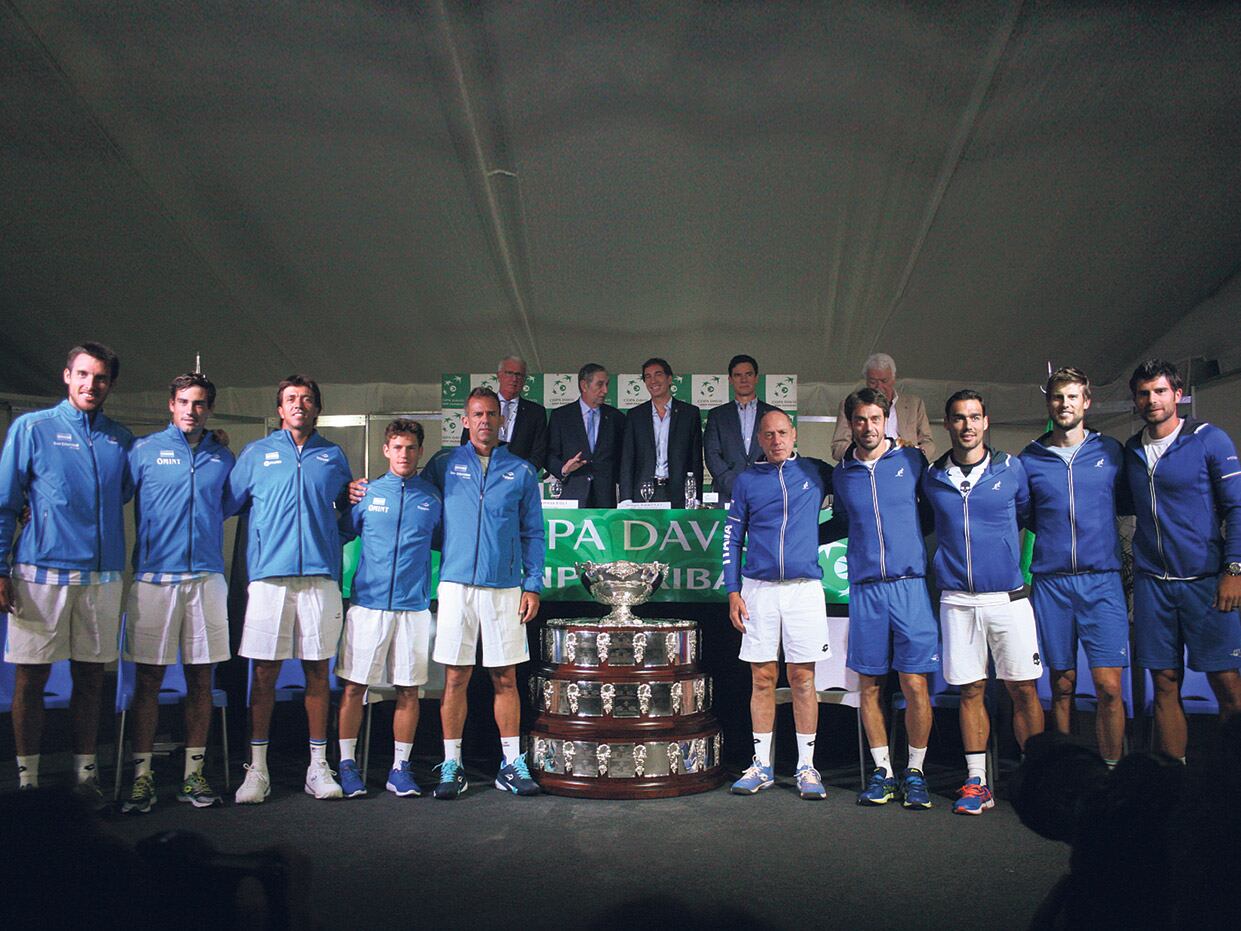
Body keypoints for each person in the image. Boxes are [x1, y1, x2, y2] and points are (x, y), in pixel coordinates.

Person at [0, 342, 133, 802]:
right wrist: (0, 568)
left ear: (110, 384)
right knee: (30, 679)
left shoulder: (121, 438)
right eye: (82, 375)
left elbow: (134, 489)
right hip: (39, 575)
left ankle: (85, 776)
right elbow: (6, 503)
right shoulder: (32, 428)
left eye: (100, 378)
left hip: (102, 578)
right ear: (66, 376)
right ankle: (27, 781)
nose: (90, 385)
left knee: (92, 680)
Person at [225, 375, 353, 803]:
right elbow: (227, 502)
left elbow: (346, 518)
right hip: (268, 578)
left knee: (318, 672)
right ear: (280, 410)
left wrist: (353, 504)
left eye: (307, 399)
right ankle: (256, 770)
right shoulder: (256, 454)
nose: (299, 405)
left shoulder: (333, 457)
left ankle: (318, 768)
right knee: (263, 674)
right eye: (291, 399)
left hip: (320, 578)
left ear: (317, 409)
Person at [922, 389, 1043, 814]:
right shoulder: (933, 477)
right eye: (959, 418)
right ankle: (977, 782)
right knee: (971, 690)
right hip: (957, 600)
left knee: (1023, 690)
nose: (967, 425)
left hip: (1009, 599)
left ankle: (1037, 777)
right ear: (948, 424)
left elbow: (1030, 517)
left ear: (986, 422)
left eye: (974, 417)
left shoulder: (1013, 470)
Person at [120, 372, 236, 813]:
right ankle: (141, 778)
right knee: (148, 681)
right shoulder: (143, 451)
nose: (192, 409)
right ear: (171, 404)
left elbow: (230, 504)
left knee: (201, 680)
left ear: (209, 408)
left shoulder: (222, 457)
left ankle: (193, 776)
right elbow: (111, 496)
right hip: (153, 580)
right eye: (184, 401)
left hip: (206, 579)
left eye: (200, 403)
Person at [423, 387, 545, 798]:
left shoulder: (522, 471)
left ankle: (511, 764)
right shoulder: (442, 465)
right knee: (455, 678)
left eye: (492, 414)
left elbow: (534, 533)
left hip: (504, 587)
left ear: (501, 420)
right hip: (456, 585)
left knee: (505, 678)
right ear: (464, 420)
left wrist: (532, 584)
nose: (485, 421)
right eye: (477, 414)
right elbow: (418, 511)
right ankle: (451, 765)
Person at [825, 388, 938, 809]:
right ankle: (883, 773)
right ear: (850, 423)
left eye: (875, 419)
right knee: (869, 685)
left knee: (914, 684)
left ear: (886, 421)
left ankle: (916, 772)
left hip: (910, 585)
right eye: (860, 420)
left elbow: (931, 515)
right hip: (866, 589)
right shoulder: (842, 473)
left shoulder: (911, 461)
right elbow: (839, 523)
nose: (868, 427)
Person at [1123, 359, 1241, 759]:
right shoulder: (1132, 450)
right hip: (1153, 584)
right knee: (1165, 684)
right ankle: (1171, 780)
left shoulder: (1210, 440)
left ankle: (1229, 782)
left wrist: (1234, 570)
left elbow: (1237, 509)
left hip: (1207, 582)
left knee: (1226, 683)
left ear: (1177, 394)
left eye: (1159, 391)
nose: (1152, 400)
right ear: (1136, 400)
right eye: (1144, 393)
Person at [1020, 367, 1130, 767]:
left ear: (1086, 402)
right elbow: (1026, 514)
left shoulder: (1110, 452)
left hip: (1102, 582)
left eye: (1072, 397)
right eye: (1057, 397)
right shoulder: (1029, 459)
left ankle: (1112, 772)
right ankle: (1063, 774)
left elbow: (1125, 502)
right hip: (1051, 584)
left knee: (1109, 687)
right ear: (1048, 403)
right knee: (1062, 684)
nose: (1064, 404)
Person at [723, 410, 834, 800]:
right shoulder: (747, 481)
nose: (776, 440)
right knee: (763, 679)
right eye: (768, 434)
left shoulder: (817, 472)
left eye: (782, 433)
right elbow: (732, 538)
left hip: (805, 589)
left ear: (794, 434)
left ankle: (806, 767)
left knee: (803, 680)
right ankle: (762, 765)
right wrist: (733, 590)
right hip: (759, 589)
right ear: (759, 438)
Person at [334, 419, 442, 798]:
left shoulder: (431, 498)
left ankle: (400, 769)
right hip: (367, 605)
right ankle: (346, 765)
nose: (404, 454)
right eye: (397, 447)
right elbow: (338, 532)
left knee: (409, 691)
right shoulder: (364, 493)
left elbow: (447, 542)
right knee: (353, 688)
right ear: (386, 450)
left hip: (413, 607)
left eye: (411, 447)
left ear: (420, 451)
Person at [618, 357, 703, 508]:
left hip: (679, 492)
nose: (653, 381)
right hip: (644, 492)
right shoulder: (635, 415)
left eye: (658, 374)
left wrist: (696, 497)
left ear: (669, 379)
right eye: (648, 377)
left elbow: (695, 459)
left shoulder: (689, 413)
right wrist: (625, 498)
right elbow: (627, 459)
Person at [546, 363, 626, 507]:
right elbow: (549, 454)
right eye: (600, 384)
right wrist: (564, 469)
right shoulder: (561, 416)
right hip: (573, 496)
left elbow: (623, 458)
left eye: (607, 384)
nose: (605, 390)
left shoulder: (616, 417)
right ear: (584, 385)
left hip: (605, 499)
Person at [830, 353, 935, 462]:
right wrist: (862, 456)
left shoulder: (914, 404)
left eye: (884, 381)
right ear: (866, 381)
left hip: (906, 466)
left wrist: (915, 458)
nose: (879, 387)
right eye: (873, 382)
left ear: (894, 379)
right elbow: (838, 447)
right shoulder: (850, 404)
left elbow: (928, 442)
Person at [703, 354, 778, 503]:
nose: (743, 380)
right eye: (738, 375)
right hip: (726, 493)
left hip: (765, 492)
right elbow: (711, 455)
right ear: (730, 380)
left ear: (756, 378)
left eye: (748, 374)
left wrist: (762, 483)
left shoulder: (774, 414)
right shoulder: (717, 415)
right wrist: (734, 485)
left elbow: (778, 451)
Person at [460, 355, 548, 472]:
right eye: (509, 373)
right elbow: (466, 441)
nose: (514, 379)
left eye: (519, 375)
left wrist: (519, 474)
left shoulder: (536, 412)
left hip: (518, 481)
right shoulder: (481, 405)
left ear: (525, 379)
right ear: (499, 375)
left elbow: (539, 453)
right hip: (481, 476)